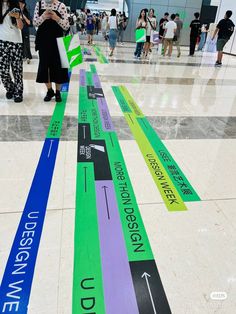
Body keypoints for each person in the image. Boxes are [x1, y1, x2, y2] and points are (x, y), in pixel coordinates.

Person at [33, 0, 69, 102]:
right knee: (44, 66)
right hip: (43, 41)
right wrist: (43, 16)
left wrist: (57, 18)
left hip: (58, 41)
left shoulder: (61, 6)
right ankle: (49, 91)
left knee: (59, 67)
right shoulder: (39, 4)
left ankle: (58, 92)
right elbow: (35, 22)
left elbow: (66, 26)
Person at [0, 0, 24, 102]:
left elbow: (21, 27)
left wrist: (17, 17)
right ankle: (11, 88)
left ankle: (18, 92)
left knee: (17, 70)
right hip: (2, 41)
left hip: (16, 42)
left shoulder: (16, 5)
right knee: (3, 71)